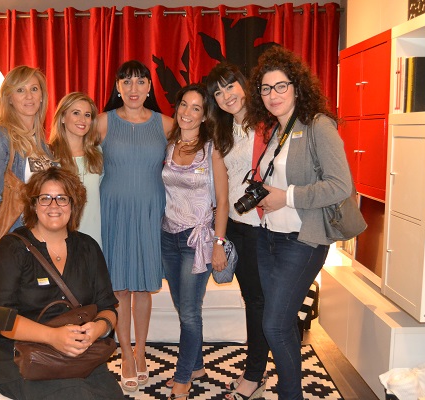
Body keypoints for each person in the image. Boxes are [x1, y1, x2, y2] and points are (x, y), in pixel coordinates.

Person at [245, 46, 353, 400]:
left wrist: (286, 196)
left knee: (274, 325)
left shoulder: (319, 125)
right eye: (265, 88)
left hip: (302, 241)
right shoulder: (277, 129)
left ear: (297, 87)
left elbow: (341, 185)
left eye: (281, 86)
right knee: (282, 322)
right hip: (269, 238)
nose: (273, 94)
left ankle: (291, 395)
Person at [0, 166, 123, 400]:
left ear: (73, 204)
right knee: (75, 395)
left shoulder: (88, 248)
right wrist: (53, 337)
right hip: (23, 358)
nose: (54, 205)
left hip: (79, 356)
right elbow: (2, 320)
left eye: (62, 198)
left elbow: (107, 308)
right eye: (45, 198)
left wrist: (97, 329)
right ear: (33, 204)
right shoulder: (10, 249)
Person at [97, 60, 173, 392]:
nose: (133, 88)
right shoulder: (102, 122)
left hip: (150, 212)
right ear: (117, 87)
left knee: (142, 287)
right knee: (119, 289)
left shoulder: (166, 124)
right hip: (112, 212)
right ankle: (125, 354)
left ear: (149, 87)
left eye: (140, 81)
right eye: (126, 82)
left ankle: (141, 351)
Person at [206, 62, 270, 400]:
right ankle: (255, 369)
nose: (226, 95)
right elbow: (223, 189)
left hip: (262, 227)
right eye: (218, 92)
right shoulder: (224, 131)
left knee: (259, 302)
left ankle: (254, 376)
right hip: (236, 225)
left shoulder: (267, 124)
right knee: (253, 299)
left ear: (244, 85)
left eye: (230, 86)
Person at [161, 84, 228, 400]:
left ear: (204, 116)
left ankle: (183, 378)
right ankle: (197, 365)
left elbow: (223, 201)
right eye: (184, 105)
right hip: (167, 237)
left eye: (196, 108)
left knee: (189, 312)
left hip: (197, 241)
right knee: (182, 306)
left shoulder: (212, 150)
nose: (187, 112)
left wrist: (218, 243)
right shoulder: (169, 145)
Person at [0, 65, 54, 286]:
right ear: (9, 98)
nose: (29, 96)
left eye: (34, 89)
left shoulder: (44, 145)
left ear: (42, 95)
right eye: (20, 90)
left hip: (44, 246)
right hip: (15, 244)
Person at [49, 92, 103, 248]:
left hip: (93, 239)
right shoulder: (50, 155)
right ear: (63, 117)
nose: (82, 120)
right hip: (60, 240)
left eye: (87, 115)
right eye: (76, 113)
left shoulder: (97, 154)